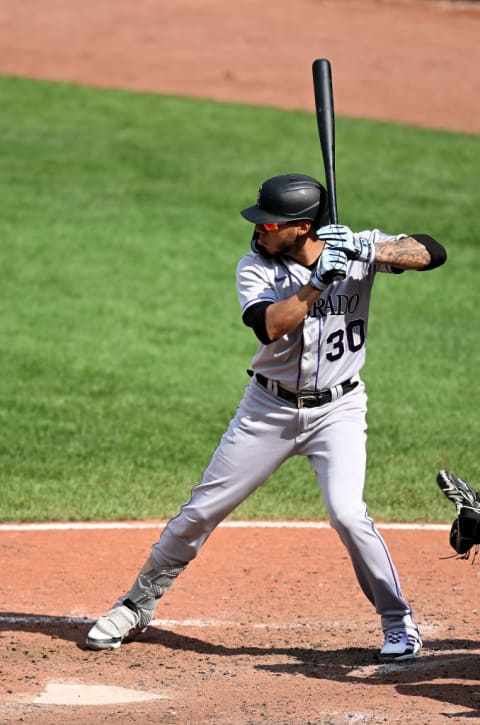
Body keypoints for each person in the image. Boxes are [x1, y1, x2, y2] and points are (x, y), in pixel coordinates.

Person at [86, 173, 447, 661]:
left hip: (338, 410)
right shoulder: (255, 266)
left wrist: (368, 250)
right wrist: (318, 284)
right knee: (202, 510)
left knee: (347, 513)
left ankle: (398, 622)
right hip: (268, 410)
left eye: (268, 224)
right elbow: (268, 327)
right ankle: (136, 605)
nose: (258, 230)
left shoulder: (356, 250)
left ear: (300, 227)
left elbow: (432, 252)